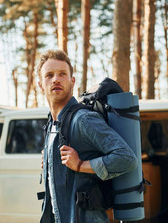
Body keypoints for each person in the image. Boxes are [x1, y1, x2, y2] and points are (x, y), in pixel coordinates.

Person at [37, 50, 138, 223]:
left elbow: (127, 158)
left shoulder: (83, 119)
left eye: (62, 74)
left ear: (72, 81)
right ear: (40, 85)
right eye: (49, 75)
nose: (56, 79)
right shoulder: (52, 124)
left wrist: (81, 165)